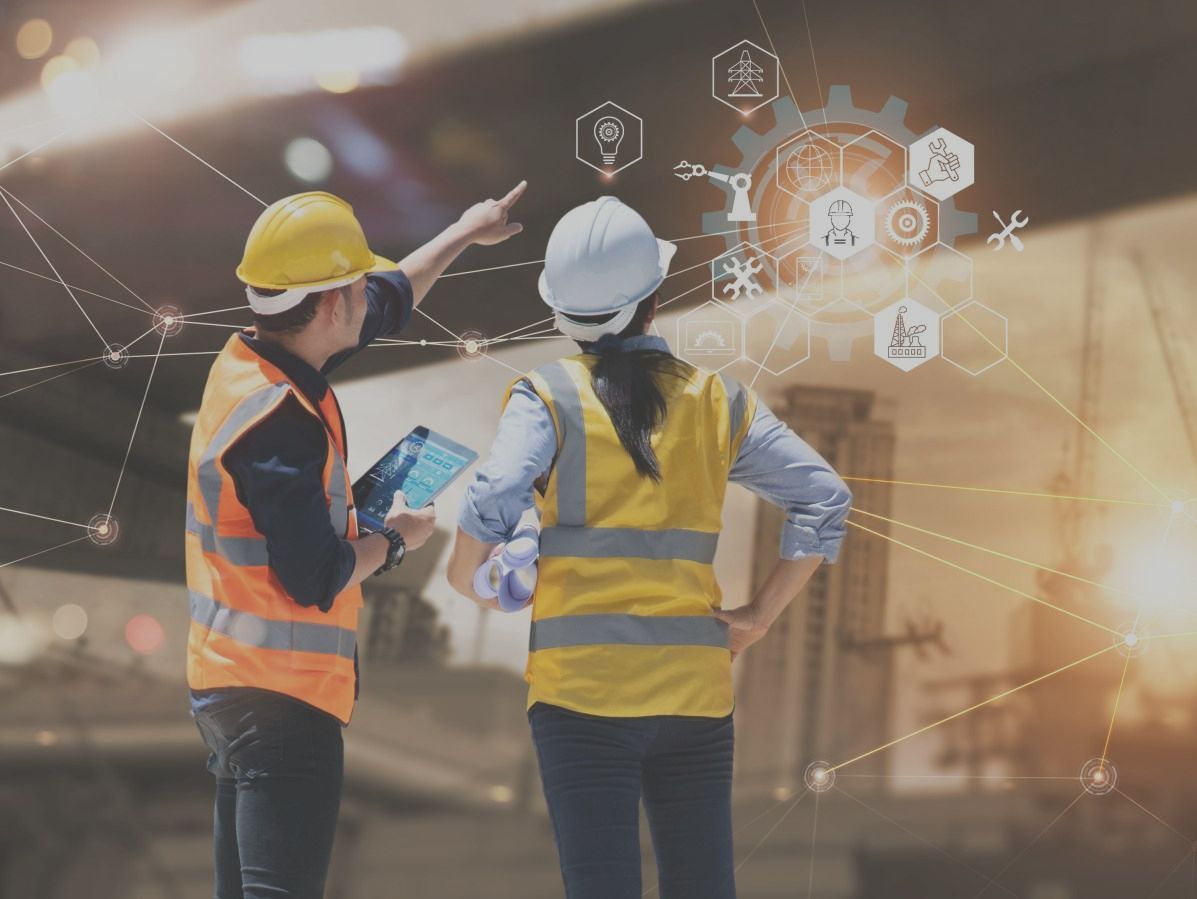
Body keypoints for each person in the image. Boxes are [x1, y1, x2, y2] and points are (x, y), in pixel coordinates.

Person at [446, 196, 852, 899]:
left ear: (560, 310)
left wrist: (464, 574)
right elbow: (825, 495)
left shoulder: (546, 396)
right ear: (653, 300)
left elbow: (497, 487)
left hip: (581, 695)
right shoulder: (717, 401)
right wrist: (759, 615)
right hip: (694, 694)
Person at [185, 182, 526, 899]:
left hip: (229, 689)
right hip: (284, 704)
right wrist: (395, 539)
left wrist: (465, 229)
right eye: (358, 285)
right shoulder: (280, 420)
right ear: (333, 303)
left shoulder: (254, 364)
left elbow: (395, 296)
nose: (374, 295)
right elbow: (316, 573)